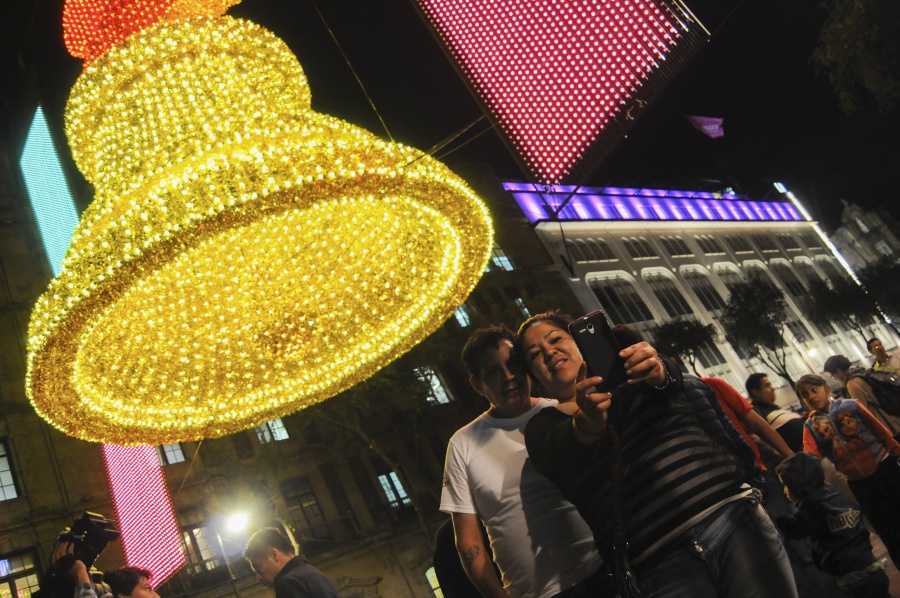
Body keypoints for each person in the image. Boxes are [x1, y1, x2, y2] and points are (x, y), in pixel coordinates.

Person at [516, 312, 797, 598]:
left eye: (556, 339)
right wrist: (585, 423)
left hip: (733, 518)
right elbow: (558, 448)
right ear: (533, 376)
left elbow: (675, 382)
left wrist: (658, 368)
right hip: (659, 565)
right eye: (535, 354)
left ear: (579, 342)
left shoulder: (634, 373)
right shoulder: (543, 426)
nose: (549, 352)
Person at [441, 325, 603, 598]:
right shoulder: (463, 444)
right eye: (493, 371)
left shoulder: (564, 412)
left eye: (513, 364)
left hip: (602, 571)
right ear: (477, 385)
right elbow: (468, 541)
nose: (508, 377)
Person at [703, 377, 844, 598]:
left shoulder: (710, 385)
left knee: (795, 540)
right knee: (776, 553)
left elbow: (756, 424)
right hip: (729, 492)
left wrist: (791, 458)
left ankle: (830, 591)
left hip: (756, 477)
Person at [795, 374, 900, 567]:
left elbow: (879, 430)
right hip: (859, 483)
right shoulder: (811, 427)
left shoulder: (850, 406)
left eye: (814, 390)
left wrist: (895, 450)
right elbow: (811, 457)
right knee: (886, 528)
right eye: (804, 394)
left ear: (826, 388)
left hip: (884, 468)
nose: (810, 396)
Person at [775, 453, 891, 598]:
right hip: (873, 567)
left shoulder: (811, 507)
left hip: (853, 578)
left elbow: (795, 530)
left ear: (798, 485)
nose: (785, 492)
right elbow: (857, 512)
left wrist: (776, 519)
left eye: (786, 486)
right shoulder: (836, 496)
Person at [243, 527, 339, 598]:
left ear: (274, 555)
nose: (258, 578)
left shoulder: (288, 583)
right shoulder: (314, 573)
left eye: (259, 569)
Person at [823, 354, 900, 438]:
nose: (834, 378)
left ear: (838, 371)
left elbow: (862, 411)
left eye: (832, 375)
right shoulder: (861, 373)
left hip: (889, 426)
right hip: (894, 418)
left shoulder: (852, 383)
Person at [746, 372, 807, 452]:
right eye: (767, 386)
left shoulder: (774, 409)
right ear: (756, 392)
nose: (773, 388)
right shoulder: (758, 414)